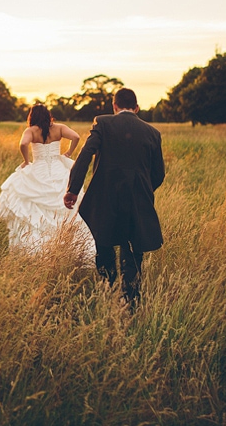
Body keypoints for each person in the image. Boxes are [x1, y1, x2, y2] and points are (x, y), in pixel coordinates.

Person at [64, 88, 165, 310]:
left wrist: (73, 189)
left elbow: (85, 155)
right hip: (138, 200)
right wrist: (143, 190)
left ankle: (107, 291)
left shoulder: (103, 123)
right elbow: (158, 174)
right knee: (132, 250)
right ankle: (130, 303)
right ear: (137, 108)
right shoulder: (152, 133)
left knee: (104, 243)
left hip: (105, 198)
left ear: (114, 106)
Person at [0, 104, 94, 255]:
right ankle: (67, 244)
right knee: (66, 204)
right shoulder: (59, 127)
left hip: (39, 168)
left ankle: (36, 247)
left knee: (35, 205)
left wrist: (27, 161)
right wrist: (68, 153)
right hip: (58, 167)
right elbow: (76, 137)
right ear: (48, 115)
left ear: (32, 116)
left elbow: (23, 144)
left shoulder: (31, 130)